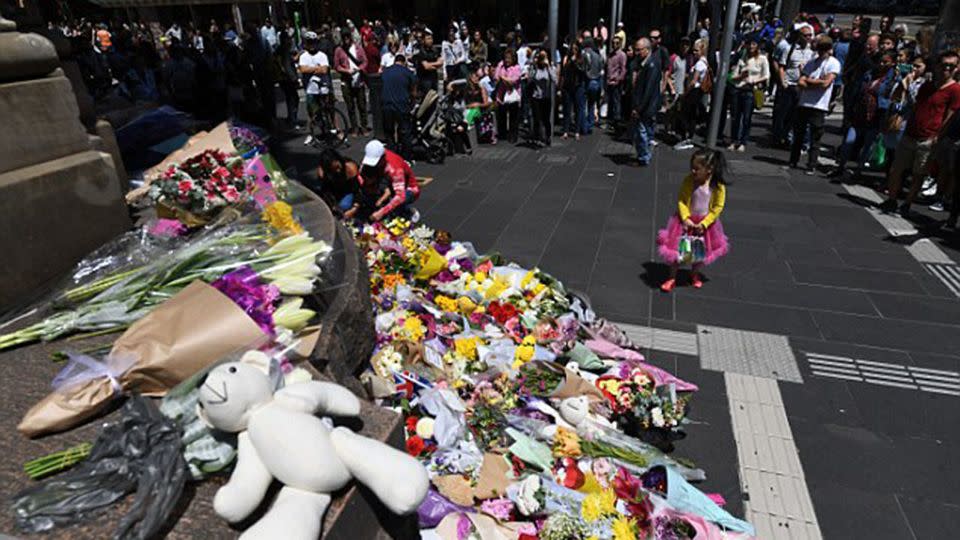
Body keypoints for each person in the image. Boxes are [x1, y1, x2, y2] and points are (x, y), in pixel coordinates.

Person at [880, 51, 960, 216]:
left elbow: (950, 116)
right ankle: (892, 200)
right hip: (911, 133)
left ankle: (907, 204)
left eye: (951, 66)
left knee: (919, 174)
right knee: (896, 169)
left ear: (956, 68)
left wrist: (937, 136)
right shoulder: (927, 86)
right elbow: (914, 105)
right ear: (937, 66)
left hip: (928, 138)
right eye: (944, 64)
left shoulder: (955, 90)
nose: (947, 68)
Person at [656, 149, 729, 292]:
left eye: (697, 169)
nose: (693, 171)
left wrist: (705, 223)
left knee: (699, 251)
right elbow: (682, 201)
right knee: (679, 250)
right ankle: (672, 277)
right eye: (692, 168)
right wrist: (685, 218)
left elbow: (717, 207)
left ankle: (694, 274)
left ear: (709, 169)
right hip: (686, 222)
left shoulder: (717, 186)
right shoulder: (689, 181)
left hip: (704, 224)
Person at [830, 51, 898, 178]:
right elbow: (858, 92)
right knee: (848, 141)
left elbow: (890, 100)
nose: (881, 64)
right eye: (880, 61)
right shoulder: (869, 74)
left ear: (893, 63)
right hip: (859, 113)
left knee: (867, 146)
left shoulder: (892, 80)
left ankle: (858, 171)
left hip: (875, 116)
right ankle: (841, 167)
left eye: (885, 62)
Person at [789, 35, 841, 174]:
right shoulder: (812, 62)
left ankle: (811, 164)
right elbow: (801, 81)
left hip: (819, 105)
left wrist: (810, 81)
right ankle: (793, 160)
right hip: (804, 102)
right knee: (798, 134)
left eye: (823, 49)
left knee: (815, 137)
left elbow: (826, 83)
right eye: (819, 49)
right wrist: (816, 81)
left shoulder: (833, 63)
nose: (821, 52)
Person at [772, 25, 815, 147]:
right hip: (789, 85)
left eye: (810, 35)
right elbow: (781, 66)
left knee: (794, 115)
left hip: (801, 87)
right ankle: (778, 137)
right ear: (799, 36)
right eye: (805, 35)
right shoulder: (789, 49)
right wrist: (783, 82)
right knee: (782, 113)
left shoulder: (811, 52)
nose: (808, 38)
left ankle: (787, 137)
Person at [362, 140, 422, 222]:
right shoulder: (377, 155)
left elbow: (400, 196)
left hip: (409, 189)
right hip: (388, 182)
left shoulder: (395, 169)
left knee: (394, 209)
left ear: (382, 157)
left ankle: (408, 212)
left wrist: (381, 212)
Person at [729, 40, 769, 151]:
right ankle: (733, 140)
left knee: (746, 118)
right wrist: (741, 76)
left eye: (754, 44)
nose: (751, 46)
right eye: (749, 44)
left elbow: (766, 76)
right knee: (735, 117)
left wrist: (753, 80)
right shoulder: (743, 59)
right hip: (738, 88)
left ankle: (743, 142)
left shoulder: (762, 59)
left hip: (750, 90)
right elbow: (733, 76)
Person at [632, 38, 661, 167]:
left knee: (642, 131)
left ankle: (644, 156)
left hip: (646, 106)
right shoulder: (643, 63)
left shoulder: (651, 65)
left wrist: (639, 108)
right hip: (645, 105)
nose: (636, 52)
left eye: (639, 50)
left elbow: (648, 90)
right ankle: (644, 154)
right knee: (644, 130)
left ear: (647, 49)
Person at [298, 32, 331, 145]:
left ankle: (328, 131)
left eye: (313, 42)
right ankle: (311, 134)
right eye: (309, 42)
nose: (312, 45)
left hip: (323, 88)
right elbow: (302, 70)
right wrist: (317, 68)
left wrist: (310, 69)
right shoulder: (303, 56)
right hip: (310, 89)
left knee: (326, 111)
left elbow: (325, 70)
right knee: (311, 113)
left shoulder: (322, 55)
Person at [676, 38, 709, 150]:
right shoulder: (704, 62)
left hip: (693, 92)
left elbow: (694, 81)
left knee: (686, 115)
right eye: (693, 50)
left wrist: (685, 92)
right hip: (697, 92)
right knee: (691, 116)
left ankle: (686, 138)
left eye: (696, 51)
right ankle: (688, 137)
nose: (694, 53)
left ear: (702, 50)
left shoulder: (700, 63)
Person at [381, 54, 417, 155]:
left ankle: (392, 152)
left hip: (387, 104)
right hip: (401, 105)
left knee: (389, 131)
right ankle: (406, 155)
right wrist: (413, 103)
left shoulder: (386, 71)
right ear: (404, 62)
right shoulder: (408, 72)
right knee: (405, 131)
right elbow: (414, 91)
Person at [335, 31, 369, 135]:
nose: (346, 40)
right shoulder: (339, 50)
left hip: (358, 80)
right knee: (350, 107)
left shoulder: (358, 48)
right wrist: (346, 70)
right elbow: (336, 66)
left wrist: (359, 69)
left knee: (362, 105)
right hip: (346, 80)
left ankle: (364, 126)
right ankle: (354, 127)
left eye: (347, 37)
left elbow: (365, 61)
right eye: (344, 38)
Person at [313, 149, 361, 217]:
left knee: (344, 206)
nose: (338, 170)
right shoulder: (322, 173)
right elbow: (325, 189)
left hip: (348, 190)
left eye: (338, 167)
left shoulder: (350, 167)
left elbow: (358, 189)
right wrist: (331, 204)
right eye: (333, 169)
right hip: (334, 191)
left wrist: (355, 208)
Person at [528, 50, 557, 147]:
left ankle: (547, 137)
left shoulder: (550, 67)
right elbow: (530, 79)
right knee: (537, 118)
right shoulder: (535, 68)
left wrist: (548, 66)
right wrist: (533, 65)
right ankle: (537, 138)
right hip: (536, 97)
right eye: (542, 57)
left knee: (546, 119)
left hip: (546, 97)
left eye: (545, 56)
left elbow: (554, 80)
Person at [495, 47, 523, 144]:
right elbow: (496, 77)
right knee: (501, 115)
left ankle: (513, 135)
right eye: (506, 58)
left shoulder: (517, 68)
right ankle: (502, 134)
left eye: (509, 58)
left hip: (513, 95)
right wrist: (501, 69)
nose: (507, 60)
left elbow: (513, 81)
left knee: (513, 117)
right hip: (502, 94)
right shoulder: (501, 65)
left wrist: (503, 78)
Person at [559, 41, 586, 140]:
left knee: (578, 109)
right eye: (572, 49)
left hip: (578, 86)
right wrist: (560, 86)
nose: (573, 51)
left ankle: (577, 131)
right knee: (567, 109)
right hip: (567, 86)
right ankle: (565, 131)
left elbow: (582, 71)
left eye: (575, 49)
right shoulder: (566, 58)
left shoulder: (581, 59)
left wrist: (574, 62)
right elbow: (563, 72)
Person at [581, 38, 604, 133]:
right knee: (591, 104)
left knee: (583, 105)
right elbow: (601, 71)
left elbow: (583, 69)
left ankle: (583, 126)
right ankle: (590, 125)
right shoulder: (598, 57)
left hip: (586, 82)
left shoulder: (584, 55)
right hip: (596, 82)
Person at [606, 36, 627, 131]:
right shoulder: (610, 55)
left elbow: (623, 69)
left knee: (616, 102)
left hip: (616, 82)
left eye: (617, 43)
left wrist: (618, 79)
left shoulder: (622, 55)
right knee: (610, 102)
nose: (614, 45)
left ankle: (616, 121)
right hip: (609, 81)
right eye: (613, 43)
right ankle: (611, 121)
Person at [414, 31, 443, 97]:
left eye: (431, 38)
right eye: (428, 39)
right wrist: (436, 64)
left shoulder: (435, 50)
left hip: (434, 79)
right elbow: (426, 67)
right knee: (426, 99)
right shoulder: (420, 52)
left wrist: (431, 64)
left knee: (434, 98)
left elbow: (441, 63)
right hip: (424, 80)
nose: (431, 41)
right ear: (423, 40)